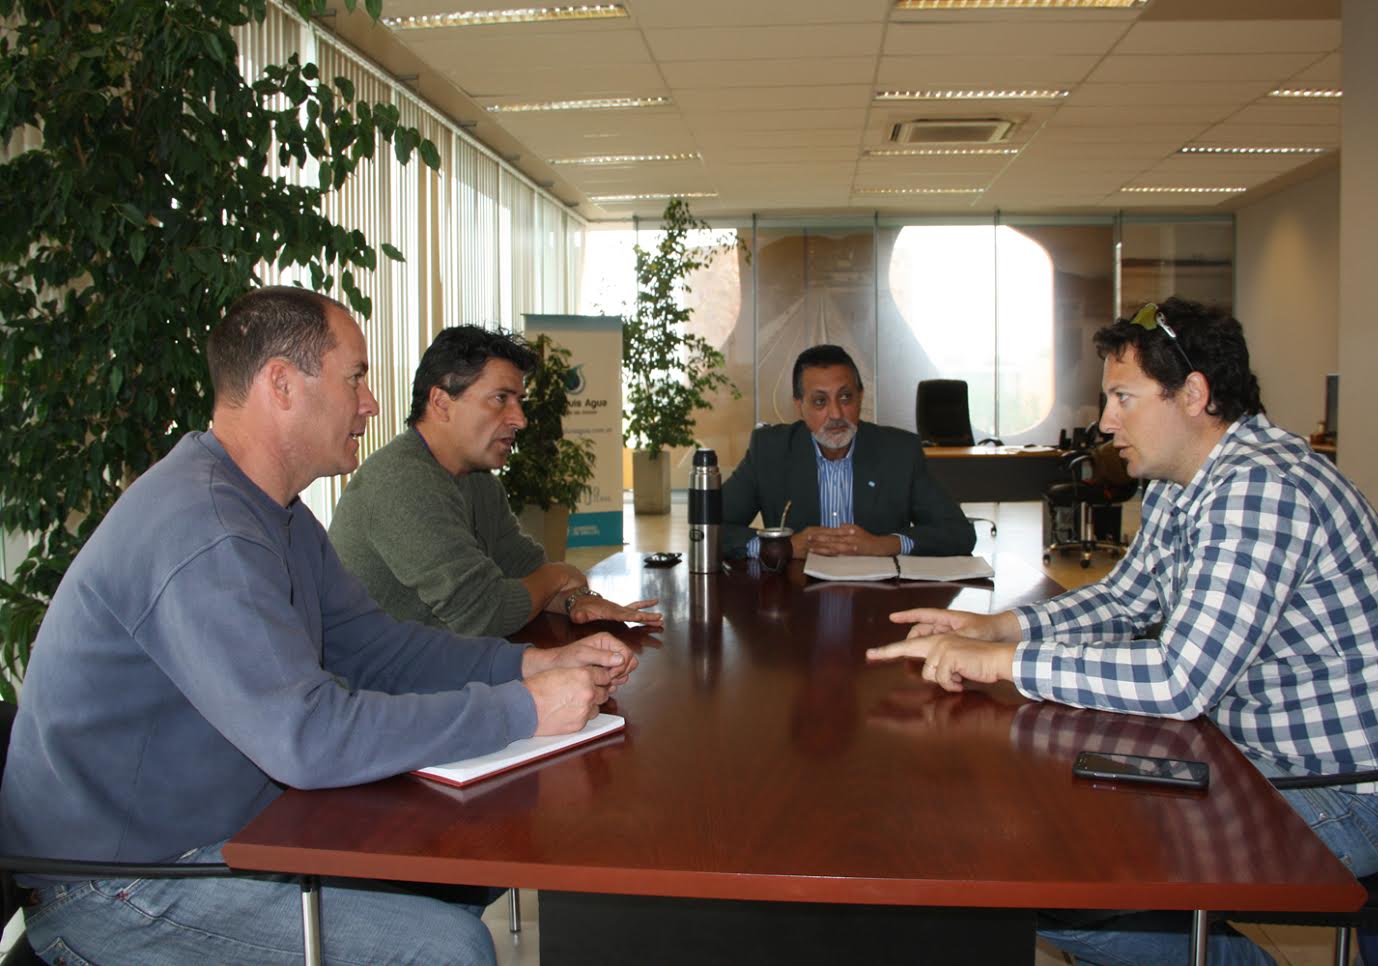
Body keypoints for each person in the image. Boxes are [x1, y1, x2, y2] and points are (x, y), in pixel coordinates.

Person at [0, 287, 638, 965]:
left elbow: (371, 647)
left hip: (229, 830)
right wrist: (519, 709)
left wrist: (521, 667)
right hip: (117, 887)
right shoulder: (206, 529)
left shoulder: (270, 510)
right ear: (281, 383)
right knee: (446, 949)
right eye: (356, 377)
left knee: (462, 867)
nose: (370, 403)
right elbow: (304, 736)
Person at [868, 297, 1378, 966]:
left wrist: (1000, 663)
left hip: (1351, 795)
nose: (1106, 421)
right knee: (1065, 810)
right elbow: (1128, 597)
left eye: (1123, 397)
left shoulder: (1262, 487)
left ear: (1193, 395)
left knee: (1069, 880)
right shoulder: (1186, 479)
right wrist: (998, 626)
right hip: (1253, 757)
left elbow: (1179, 680)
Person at [329, 325, 661, 638]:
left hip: (440, 674)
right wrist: (558, 575)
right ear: (442, 403)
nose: (520, 419)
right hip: (379, 691)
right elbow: (484, 613)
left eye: (519, 401)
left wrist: (575, 601)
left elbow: (522, 565)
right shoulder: (400, 482)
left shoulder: (477, 479)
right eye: (501, 398)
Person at [721, 344, 976, 561]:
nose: (836, 414)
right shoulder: (770, 450)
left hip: (880, 605)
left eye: (845, 397)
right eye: (820, 401)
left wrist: (885, 544)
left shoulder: (900, 452)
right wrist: (780, 547)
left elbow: (958, 532)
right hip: (795, 602)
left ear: (860, 397)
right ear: (799, 405)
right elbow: (710, 528)